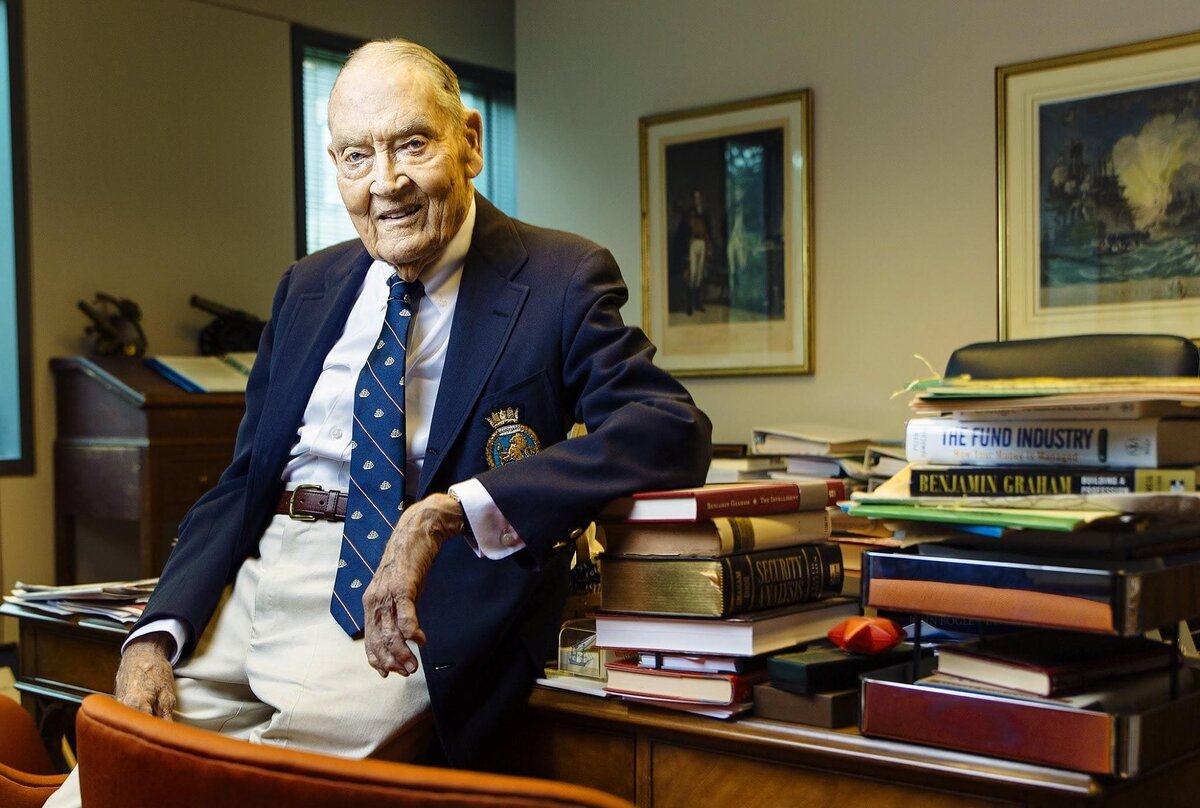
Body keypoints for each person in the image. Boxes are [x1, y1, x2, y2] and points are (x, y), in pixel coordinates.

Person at [47, 38, 709, 803]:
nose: (385, 183)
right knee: (110, 780)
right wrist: (157, 631)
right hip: (256, 584)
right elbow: (243, 480)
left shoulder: (560, 278)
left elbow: (667, 428)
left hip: (406, 600)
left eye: (412, 144)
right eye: (357, 157)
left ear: (470, 142)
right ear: (334, 164)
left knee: (250, 794)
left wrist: (453, 510)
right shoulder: (307, 287)